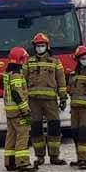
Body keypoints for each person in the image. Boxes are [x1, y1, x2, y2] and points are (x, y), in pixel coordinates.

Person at [25, 32, 67, 165]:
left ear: (47, 46)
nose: (40, 48)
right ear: (34, 47)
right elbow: (23, 80)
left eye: (42, 45)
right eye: (38, 46)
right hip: (33, 101)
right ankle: (40, 157)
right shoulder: (28, 62)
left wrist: (63, 98)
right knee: (36, 128)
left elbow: (61, 80)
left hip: (50, 101)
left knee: (54, 127)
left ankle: (54, 156)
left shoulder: (55, 62)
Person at [1, 47, 37, 172]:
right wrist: (25, 110)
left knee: (11, 136)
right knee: (23, 134)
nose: (25, 61)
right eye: (24, 58)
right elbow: (17, 94)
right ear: (19, 60)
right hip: (18, 112)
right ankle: (22, 162)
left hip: (9, 112)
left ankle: (10, 161)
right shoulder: (16, 75)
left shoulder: (7, 74)